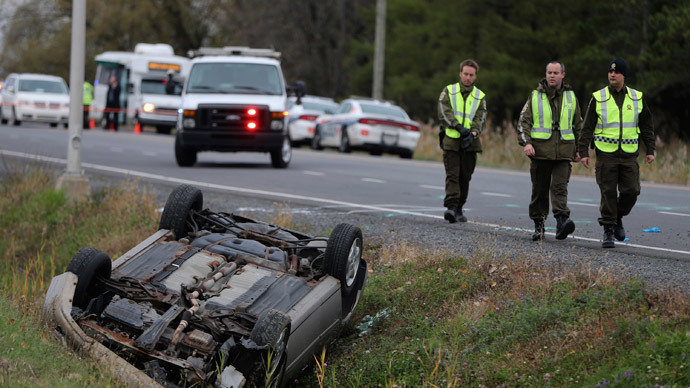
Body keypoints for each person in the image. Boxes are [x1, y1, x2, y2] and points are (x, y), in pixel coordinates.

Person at [578, 58, 655, 248]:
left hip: (629, 154)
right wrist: (583, 150)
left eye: (617, 72)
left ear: (624, 76)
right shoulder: (599, 97)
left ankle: (617, 216)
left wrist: (650, 149)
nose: (612, 74)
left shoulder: (636, 97)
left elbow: (646, 125)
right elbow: (587, 126)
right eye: (610, 72)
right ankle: (608, 231)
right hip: (606, 154)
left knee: (632, 191)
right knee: (608, 192)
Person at [517, 61, 583, 241]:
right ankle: (539, 225)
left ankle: (562, 222)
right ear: (545, 74)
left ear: (563, 75)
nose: (552, 75)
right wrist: (527, 143)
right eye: (549, 72)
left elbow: (578, 125)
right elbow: (524, 122)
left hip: (564, 152)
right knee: (540, 190)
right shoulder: (535, 96)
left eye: (555, 72)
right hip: (540, 152)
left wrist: (580, 150)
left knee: (560, 188)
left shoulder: (571, 97)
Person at [437, 59, 487, 223]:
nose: (468, 77)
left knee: (465, 176)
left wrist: (472, 133)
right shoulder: (449, 91)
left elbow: (481, 117)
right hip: (452, 139)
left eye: (471, 75)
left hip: (470, 142)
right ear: (460, 73)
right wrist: (458, 127)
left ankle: (459, 207)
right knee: (453, 175)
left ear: (475, 76)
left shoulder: (480, 96)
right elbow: (444, 111)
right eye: (465, 74)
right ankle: (451, 207)